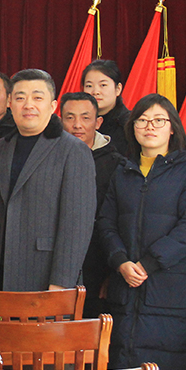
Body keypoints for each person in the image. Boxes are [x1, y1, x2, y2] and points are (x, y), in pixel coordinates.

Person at [95, 94, 186, 370]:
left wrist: (147, 263)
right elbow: (105, 223)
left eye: (159, 120)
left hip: (169, 289)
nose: (150, 127)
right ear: (133, 127)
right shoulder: (123, 170)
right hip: (127, 288)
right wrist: (120, 261)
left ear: (172, 128)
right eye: (142, 120)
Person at [0, 69, 96, 291]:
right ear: (10, 104)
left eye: (37, 98)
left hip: (43, 277)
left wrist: (61, 284)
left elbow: (77, 226)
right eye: (20, 98)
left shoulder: (73, 150)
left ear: (53, 106)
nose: (28, 105)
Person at [60, 91, 124, 319]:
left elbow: (121, 223)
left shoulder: (117, 165)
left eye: (85, 118)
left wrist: (113, 272)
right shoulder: (49, 158)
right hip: (57, 269)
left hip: (99, 268)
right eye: (70, 117)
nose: (77, 125)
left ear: (98, 122)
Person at [83, 59, 130, 154]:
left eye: (103, 85)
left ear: (118, 89)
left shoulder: (129, 125)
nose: (95, 92)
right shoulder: (78, 123)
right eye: (89, 86)